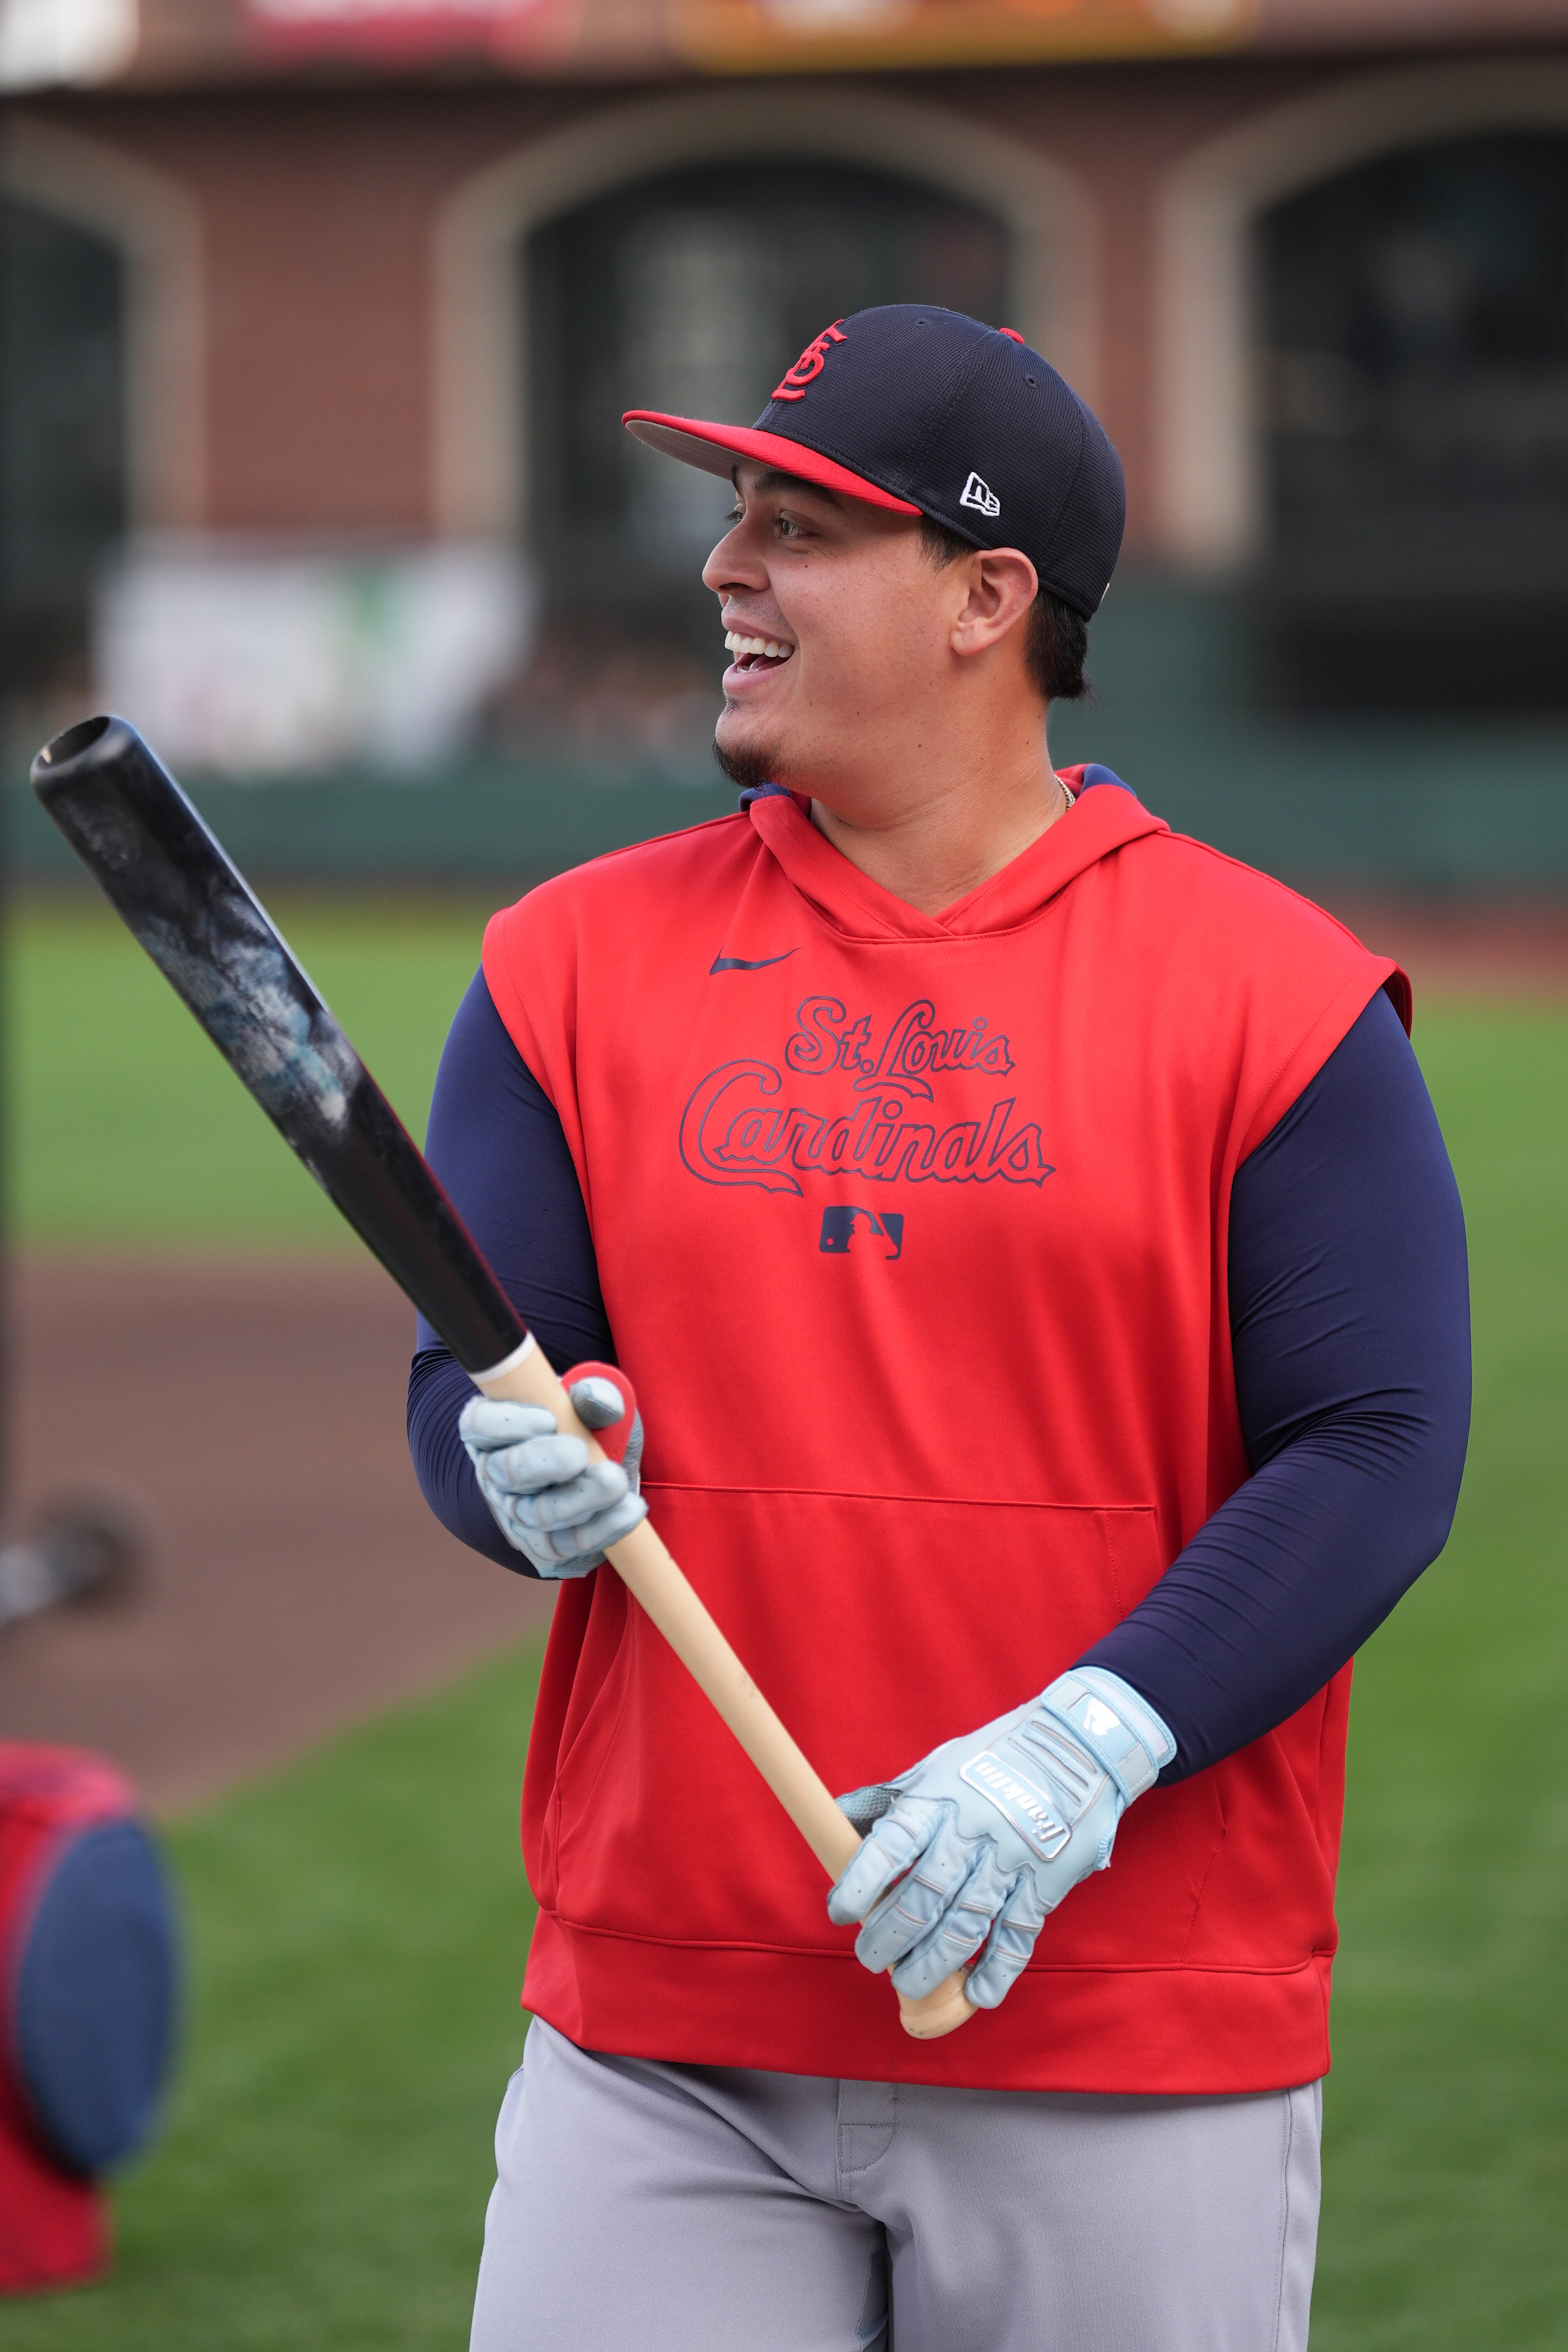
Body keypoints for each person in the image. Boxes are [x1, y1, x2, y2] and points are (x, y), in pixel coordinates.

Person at [408, 304, 1470, 2352]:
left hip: (1123, 2020)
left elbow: (1372, 1442)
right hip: (666, 2019)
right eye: (733, 517)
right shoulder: (561, 963)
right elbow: (486, 1370)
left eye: (802, 525)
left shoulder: (1276, 991)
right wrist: (508, 1466)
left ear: (989, 595)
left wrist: (1083, 1746)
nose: (725, 566)